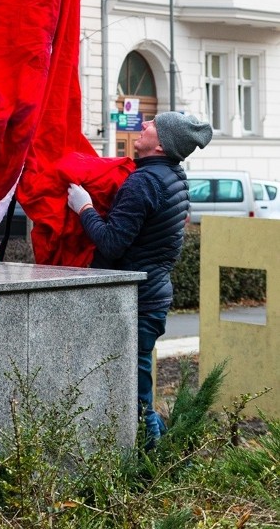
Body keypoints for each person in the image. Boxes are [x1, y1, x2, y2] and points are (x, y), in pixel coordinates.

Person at [66, 111, 212, 442]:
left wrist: (84, 208)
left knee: (135, 396)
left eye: (151, 125)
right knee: (138, 385)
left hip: (136, 302)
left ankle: (148, 474)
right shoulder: (173, 177)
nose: (143, 126)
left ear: (160, 144)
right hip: (153, 297)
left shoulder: (144, 182)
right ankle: (161, 455)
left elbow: (111, 243)